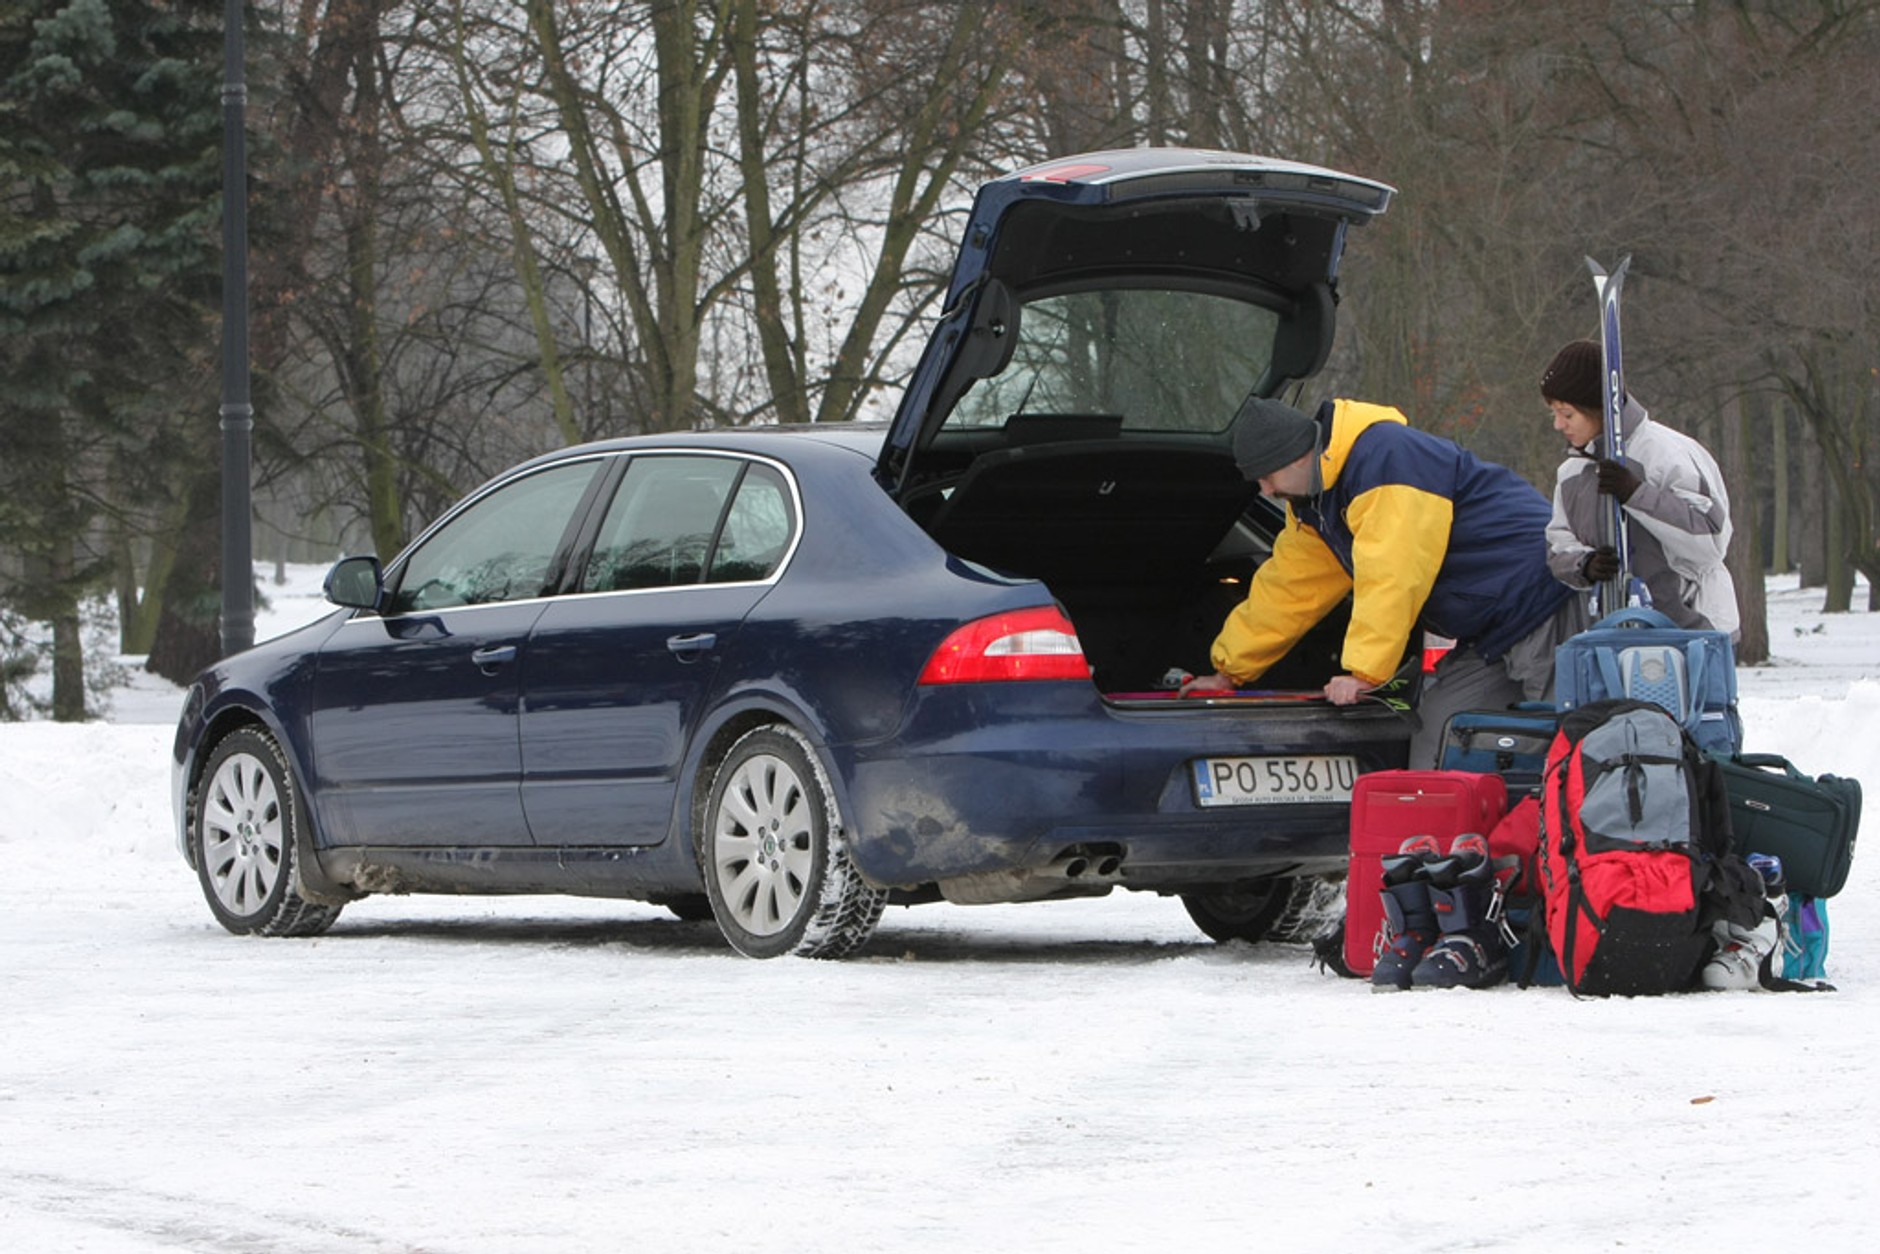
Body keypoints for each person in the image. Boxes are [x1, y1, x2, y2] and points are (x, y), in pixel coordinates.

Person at [1181, 395, 1579, 768]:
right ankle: (1433, 840)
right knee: (1442, 731)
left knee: (1568, 740)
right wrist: (1228, 671)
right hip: (1489, 630)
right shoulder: (1317, 502)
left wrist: (1363, 673)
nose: (1266, 491)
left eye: (1268, 476)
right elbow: (1290, 590)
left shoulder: (1387, 460)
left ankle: (1582, 834)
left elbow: (1393, 571)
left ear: (1299, 456)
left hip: (1541, 602)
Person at [1537, 339, 1737, 635]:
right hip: (1614, 634)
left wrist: (1637, 494)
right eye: (1553, 413)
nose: (1558, 425)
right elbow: (1558, 545)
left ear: (1599, 408)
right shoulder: (1571, 473)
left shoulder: (1667, 454)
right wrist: (1585, 563)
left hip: (1692, 631)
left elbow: (1710, 539)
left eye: (1567, 414)